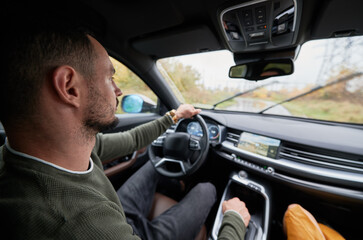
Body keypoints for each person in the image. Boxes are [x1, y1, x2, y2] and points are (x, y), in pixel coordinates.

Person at [0, 17, 250, 239]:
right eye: (110, 77)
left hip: (121, 216)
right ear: (69, 87)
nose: (118, 90)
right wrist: (234, 221)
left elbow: (132, 139)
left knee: (154, 165)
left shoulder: (55, 151)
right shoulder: (80, 224)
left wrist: (174, 116)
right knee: (207, 189)